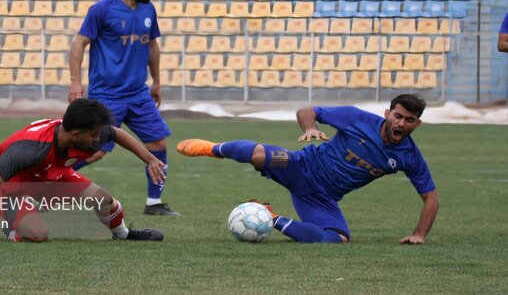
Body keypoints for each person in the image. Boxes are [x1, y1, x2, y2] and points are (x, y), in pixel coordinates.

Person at [177, 94, 439, 244]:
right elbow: (307, 110)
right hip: (299, 165)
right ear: (387, 113)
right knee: (260, 155)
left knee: (337, 239)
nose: (402, 123)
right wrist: (310, 128)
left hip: (320, 198)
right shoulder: (357, 118)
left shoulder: (409, 157)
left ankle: (271, 217)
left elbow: (431, 197)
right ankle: (212, 149)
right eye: (398, 116)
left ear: (418, 124)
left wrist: (419, 234)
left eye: (409, 120)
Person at [0, 99, 166, 243]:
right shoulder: (30, 148)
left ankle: (123, 235)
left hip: (48, 175)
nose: (98, 139)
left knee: (104, 199)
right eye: (94, 135)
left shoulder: (86, 133)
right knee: (37, 234)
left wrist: (149, 159)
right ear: (75, 135)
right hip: (9, 187)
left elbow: (115, 133)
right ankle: (12, 229)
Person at [68, 0, 179, 216]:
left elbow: (152, 45)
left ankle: (154, 203)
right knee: (96, 153)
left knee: (158, 144)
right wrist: (76, 81)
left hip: (138, 94)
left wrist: (157, 81)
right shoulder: (102, 10)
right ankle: (47, 180)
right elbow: (79, 44)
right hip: (106, 95)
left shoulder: (148, 10)